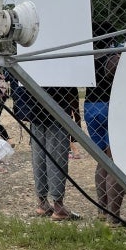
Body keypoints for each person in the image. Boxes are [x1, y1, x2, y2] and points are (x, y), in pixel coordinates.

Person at [85, 21, 126, 228]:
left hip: (90, 106)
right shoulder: (113, 57)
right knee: (114, 162)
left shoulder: (89, 57)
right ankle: (113, 216)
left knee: (102, 161)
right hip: (109, 107)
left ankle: (102, 209)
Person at [29, 85, 79, 221]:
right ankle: (58, 206)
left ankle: (42, 202)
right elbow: (71, 88)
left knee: (39, 155)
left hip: (35, 109)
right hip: (58, 109)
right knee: (57, 158)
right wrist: (77, 116)